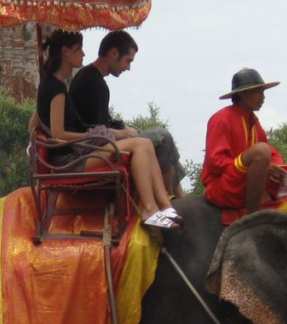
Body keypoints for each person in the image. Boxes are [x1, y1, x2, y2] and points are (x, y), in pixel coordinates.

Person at [35, 29, 181, 230]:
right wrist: (91, 135)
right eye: (79, 49)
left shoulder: (51, 85)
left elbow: (35, 124)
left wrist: (40, 137)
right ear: (65, 52)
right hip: (70, 161)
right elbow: (59, 135)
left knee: (145, 143)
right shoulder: (57, 89)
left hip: (73, 153)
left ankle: (164, 205)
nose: (84, 54)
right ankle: (150, 208)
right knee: (140, 145)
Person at [68, 30, 186, 196]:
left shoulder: (87, 77)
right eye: (127, 61)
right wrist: (126, 133)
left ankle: (176, 196)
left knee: (161, 141)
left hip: (94, 144)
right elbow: (97, 131)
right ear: (114, 53)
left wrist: (123, 126)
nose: (128, 68)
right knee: (163, 137)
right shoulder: (94, 83)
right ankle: (172, 199)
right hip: (93, 149)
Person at [201, 67, 287, 223]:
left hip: (250, 181)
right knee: (261, 151)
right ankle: (253, 219)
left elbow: (272, 153)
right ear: (242, 94)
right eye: (258, 92)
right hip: (223, 186)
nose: (263, 97)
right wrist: (257, 165)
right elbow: (216, 162)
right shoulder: (221, 118)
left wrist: (277, 169)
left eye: (263, 92)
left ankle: (273, 207)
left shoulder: (254, 122)